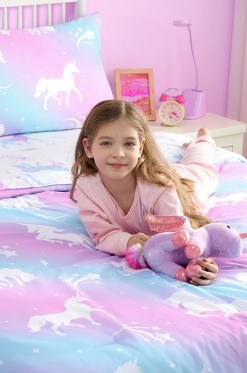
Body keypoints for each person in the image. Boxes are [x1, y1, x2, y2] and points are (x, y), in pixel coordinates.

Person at [70, 100, 219, 285]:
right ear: (88, 148)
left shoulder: (160, 187)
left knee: (200, 166)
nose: (119, 153)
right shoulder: (87, 187)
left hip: (186, 186)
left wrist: (200, 265)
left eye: (128, 144)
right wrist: (128, 241)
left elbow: (180, 238)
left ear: (140, 148)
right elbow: (103, 235)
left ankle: (203, 139)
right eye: (106, 143)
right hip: (158, 173)